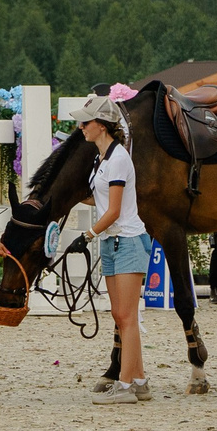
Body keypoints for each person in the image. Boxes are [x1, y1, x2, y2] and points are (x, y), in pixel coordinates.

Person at [72, 97, 155, 405]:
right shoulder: (102, 159)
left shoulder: (118, 158)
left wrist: (87, 234)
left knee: (127, 316)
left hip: (127, 239)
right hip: (112, 241)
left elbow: (116, 210)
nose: (81, 127)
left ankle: (125, 386)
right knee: (121, 316)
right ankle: (139, 381)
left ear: (102, 125)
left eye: (86, 122)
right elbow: (102, 201)